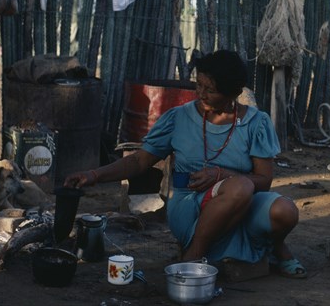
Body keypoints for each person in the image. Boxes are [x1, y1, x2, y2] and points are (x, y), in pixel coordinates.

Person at [64, 50, 307, 278]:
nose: (200, 94)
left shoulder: (256, 123)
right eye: (198, 85)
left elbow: (264, 181)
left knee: (284, 210)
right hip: (190, 204)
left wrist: (222, 174)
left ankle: (275, 245)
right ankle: (195, 253)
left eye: (210, 89)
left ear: (233, 93)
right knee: (239, 187)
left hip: (242, 203)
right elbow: (139, 160)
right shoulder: (179, 118)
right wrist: (94, 174)